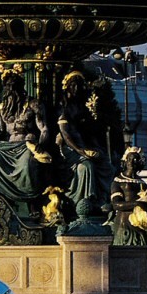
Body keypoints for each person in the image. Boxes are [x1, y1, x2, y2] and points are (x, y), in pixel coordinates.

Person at [0, 71, 53, 207]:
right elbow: (1, 131)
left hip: (27, 143)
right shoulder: (1, 108)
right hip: (8, 146)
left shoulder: (33, 105)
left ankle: (32, 204)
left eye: (14, 86)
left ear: (21, 87)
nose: (11, 89)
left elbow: (44, 129)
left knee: (26, 164)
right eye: (8, 86)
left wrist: (41, 143)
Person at [58, 71, 113, 213]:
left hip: (82, 145)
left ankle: (103, 199)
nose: (76, 89)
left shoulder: (81, 107)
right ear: (67, 87)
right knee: (86, 166)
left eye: (78, 86)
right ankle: (83, 201)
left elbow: (88, 131)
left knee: (106, 164)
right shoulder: (63, 107)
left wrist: (95, 146)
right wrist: (80, 151)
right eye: (73, 85)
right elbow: (65, 135)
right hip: (69, 148)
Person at [110, 148, 147, 246]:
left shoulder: (143, 184)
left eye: (135, 160)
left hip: (142, 226)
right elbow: (116, 204)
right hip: (125, 225)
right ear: (125, 161)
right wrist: (137, 204)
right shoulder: (118, 182)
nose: (132, 162)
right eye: (129, 159)